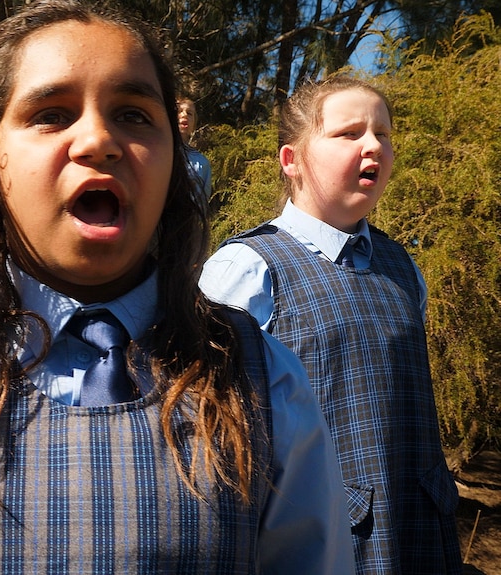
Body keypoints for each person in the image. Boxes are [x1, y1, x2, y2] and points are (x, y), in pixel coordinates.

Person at [0, 2, 353, 573]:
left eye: (133, 114)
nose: (98, 140)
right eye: (51, 114)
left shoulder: (264, 381)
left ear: (176, 163)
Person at [200, 76, 462, 574]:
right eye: (349, 133)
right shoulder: (247, 269)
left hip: (420, 534)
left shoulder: (403, 267)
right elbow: (209, 430)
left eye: (382, 134)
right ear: (291, 161)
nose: (373, 146)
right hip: (318, 545)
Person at [177, 96, 212, 206]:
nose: (184, 115)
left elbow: (203, 202)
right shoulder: (157, 151)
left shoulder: (202, 163)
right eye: (179, 111)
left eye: (189, 113)